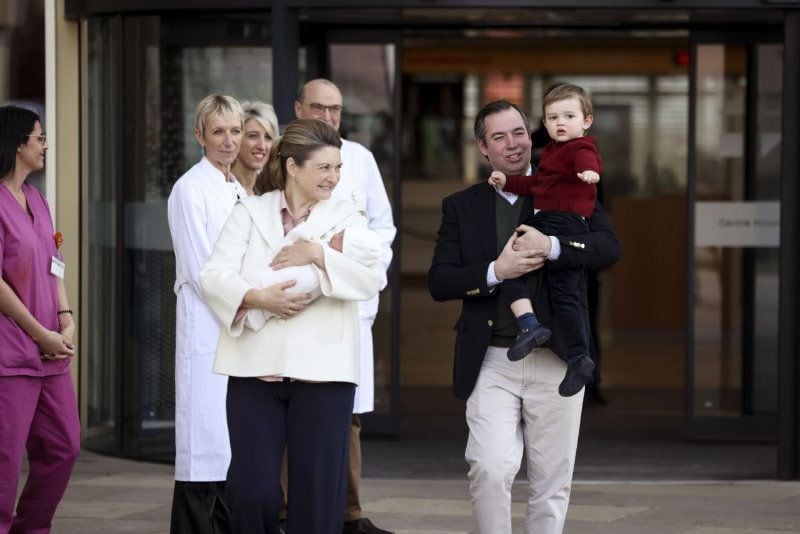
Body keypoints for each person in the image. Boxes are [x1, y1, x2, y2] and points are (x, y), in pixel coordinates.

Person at [428, 100, 620, 534]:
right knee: (490, 468)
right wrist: (499, 272)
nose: (512, 144)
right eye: (499, 136)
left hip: (558, 360)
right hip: (493, 359)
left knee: (552, 482)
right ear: (483, 147)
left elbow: (609, 248)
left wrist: (552, 248)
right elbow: (440, 281)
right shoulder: (461, 205)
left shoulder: (569, 187)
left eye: (518, 132)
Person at [199, 119, 385, 534]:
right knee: (252, 491)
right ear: (292, 167)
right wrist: (256, 298)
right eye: (324, 168)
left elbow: (372, 278)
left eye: (337, 168)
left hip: (325, 374)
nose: (333, 178)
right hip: (253, 371)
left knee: (317, 497)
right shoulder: (249, 211)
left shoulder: (347, 217)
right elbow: (213, 275)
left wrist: (318, 254)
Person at [293, 78, 396, 534]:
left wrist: (351, 272)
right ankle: (285, 511)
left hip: (346, 304)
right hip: (293, 305)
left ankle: (349, 513)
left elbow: (383, 232)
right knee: (289, 405)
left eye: (335, 109)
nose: (329, 117)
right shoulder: (284, 161)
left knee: (346, 413)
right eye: (319, 108)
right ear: (299, 109)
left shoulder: (361, 160)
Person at [487, 83, 603, 397]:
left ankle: (553, 339)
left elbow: (588, 160)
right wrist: (508, 181)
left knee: (544, 283)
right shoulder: (552, 152)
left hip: (562, 222)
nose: (560, 123)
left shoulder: (580, 147)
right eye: (552, 118)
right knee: (515, 270)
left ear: (586, 121)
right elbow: (536, 183)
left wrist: (590, 173)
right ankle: (553, 339)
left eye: (568, 116)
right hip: (549, 218)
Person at [166, 94, 246, 534]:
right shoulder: (190, 189)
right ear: (200, 136)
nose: (229, 140)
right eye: (218, 131)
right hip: (208, 328)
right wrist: (251, 308)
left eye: (235, 130)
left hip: (235, 331)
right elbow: (202, 273)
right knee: (203, 445)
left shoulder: (235, 186)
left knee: (226, 443)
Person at [0, 105, 80, 533]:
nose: (45, 145)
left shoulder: (36, 198)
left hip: (50, 351)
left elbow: (55, 262)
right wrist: (39, 333)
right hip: (11, 353)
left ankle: (30, 528)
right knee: (5, 464)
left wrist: (65, 318)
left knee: (64, 447)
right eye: (40, 138)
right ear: (17, 144)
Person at [232, 100, 279, 195]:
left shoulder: (273, 192)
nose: (262, 146)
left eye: (268, 137)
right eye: (253, 136)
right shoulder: (218, 188)